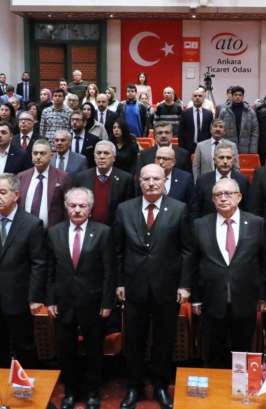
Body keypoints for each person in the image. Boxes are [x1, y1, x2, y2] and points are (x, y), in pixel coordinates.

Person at [114, 164, 194, 409]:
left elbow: (188, 251)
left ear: (164, 182)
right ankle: (134, 387)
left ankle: (160, 386)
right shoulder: (124, 209)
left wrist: (185, 285)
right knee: (134, 341)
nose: (151, 183)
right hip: (133, 287)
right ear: (139, 182)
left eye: (156, 179)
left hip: (167, 288)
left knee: (164, 341)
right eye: (146, 179)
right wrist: (119, 282)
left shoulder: (179, 209)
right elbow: (117, 251)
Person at [47, 188, 115, 409]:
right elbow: (49, 270)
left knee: (95, 350)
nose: (77, 210)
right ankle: (70, 391)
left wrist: (107, 302)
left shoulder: (103, 232)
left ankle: (93, 392)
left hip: (93, 303)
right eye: (73, 206)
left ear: (90, 208)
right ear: (67, 208)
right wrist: (50, 300)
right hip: (63, 302)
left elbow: (109, 272)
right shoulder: (54, 232)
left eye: (82, 206)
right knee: (66, 351)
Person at [0, 173, 45, 369]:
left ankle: (28, 389)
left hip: (19, 297)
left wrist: (35, 297)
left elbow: (38, 263)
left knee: (24, 346)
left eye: (2, 192)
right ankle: (1, 390)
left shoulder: (31, 223)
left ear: (16, 194)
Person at [192, 178, 266, 368]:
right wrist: (195, 298)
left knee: (242, 352)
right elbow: (193, 263)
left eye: (228, 194)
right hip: (211, 299)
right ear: (213, 199)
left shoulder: (256, 223)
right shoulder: (200, 224)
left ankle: (240, 392)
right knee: (211, 351)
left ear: (239, 197)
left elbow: (263, 263)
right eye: (218, 195)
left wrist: (262, 296)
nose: (223, 198)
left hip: (245, 299)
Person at [74, 141, 135, 226]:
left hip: (114, 230)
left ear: (114, 157)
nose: (102, 157)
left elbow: (128, 210)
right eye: (98, 153)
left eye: (106, 153)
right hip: (87, 229)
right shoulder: (81, 177)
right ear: (94, 157)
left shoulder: (126, 179)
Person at [17, 139, 71, 230]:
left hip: (52, 233)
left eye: (42, 153)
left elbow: (67, 207)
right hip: (24, 231)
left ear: (51, 156)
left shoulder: (63, 177)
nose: (38, 157)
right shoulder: (21, 176)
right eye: (35, 153)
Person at [136, 146, 198, 216]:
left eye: (166, 159)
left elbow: (193, 208)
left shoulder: (185, 178)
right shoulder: (146, 177)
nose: (161, 162)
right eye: (158, 158)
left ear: (173, 162)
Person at [194, 143, 249, 217]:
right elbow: (196, 209)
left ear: (233, 160)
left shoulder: (242, 180)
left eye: (228, 158)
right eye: (221, 157)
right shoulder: (202, 180)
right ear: (214, 160)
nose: (225, 161)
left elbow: (247, 208)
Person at [218, 86, 259, 154]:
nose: (238, 97)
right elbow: (219, 130)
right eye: (235, 95)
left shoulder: (250, 112)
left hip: (246, 149)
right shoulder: (224, 112)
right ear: (232, 96)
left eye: (240, 95)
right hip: (227, 148)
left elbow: (255, 132)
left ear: (243, 96)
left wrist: (253, 151)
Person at [178, 89, 213, 155]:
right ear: (192, 98)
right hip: (188, 146)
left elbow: (210, 131)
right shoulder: (185, 113)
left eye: (200, 96)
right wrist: (181, 148)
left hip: (205, 146)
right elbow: (181, 131)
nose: (197, 98)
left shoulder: (208, 113)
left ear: (203, 98)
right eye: (195, 96)